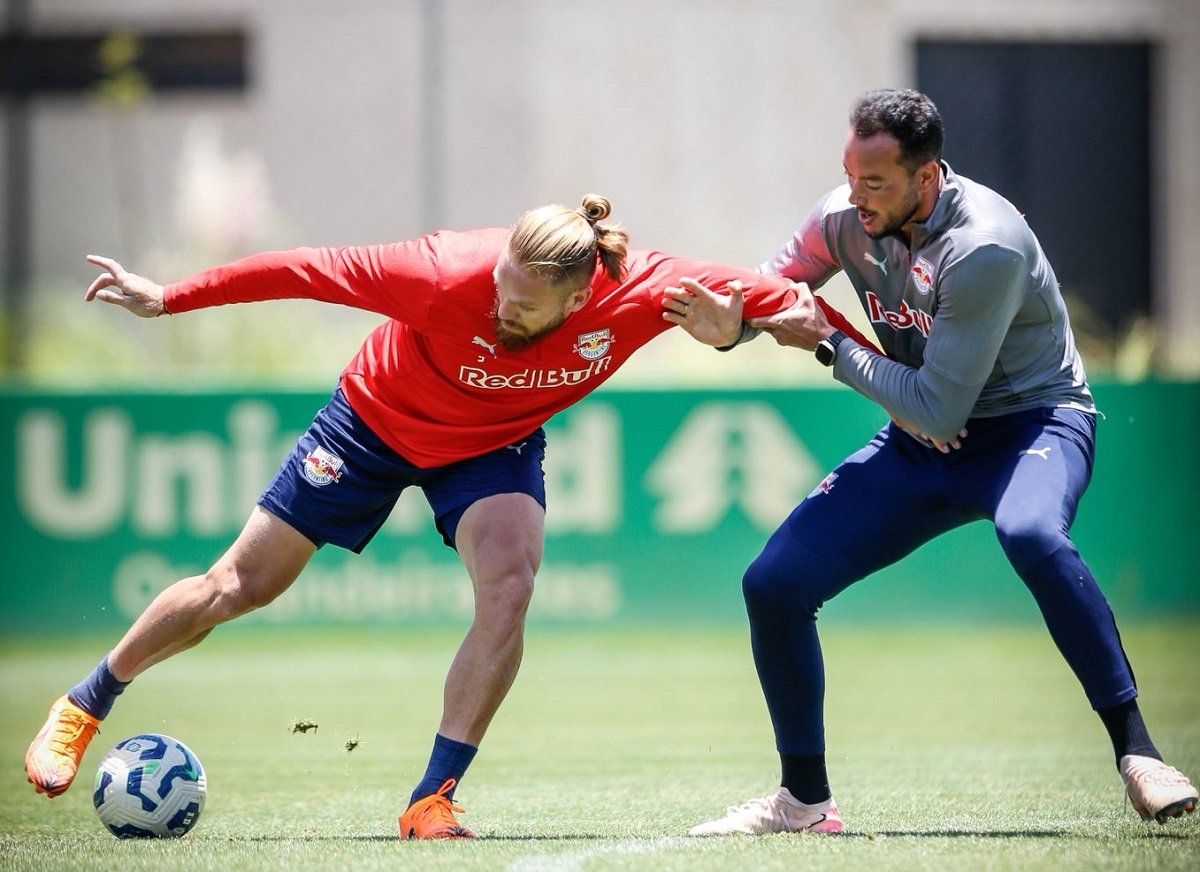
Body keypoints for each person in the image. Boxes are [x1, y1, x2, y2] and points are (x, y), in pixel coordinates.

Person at [24, 194, 873, 839]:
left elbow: (785, 302)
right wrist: (167, 299)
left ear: (581, 295)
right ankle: (85, 704)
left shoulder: (651, 288)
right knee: (240, 585)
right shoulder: (440, 269)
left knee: (510, 584)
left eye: (524, 305)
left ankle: (432, 798)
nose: (501, 307)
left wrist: (849, 366)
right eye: (500, 287)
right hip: (372, 420)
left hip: (491, 446)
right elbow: (302, 268)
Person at [667, 89, 1197, 835]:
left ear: (927, 177)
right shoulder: (842, 218)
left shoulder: (985, 243)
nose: (856, 198)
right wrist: (733, 325)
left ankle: (1138, 753)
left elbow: (940, 408)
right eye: (851, 176)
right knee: (774, 584)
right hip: (923, 435)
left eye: (875, 182)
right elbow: (772, 291)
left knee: (1032, 534)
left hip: (1029, 424)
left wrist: (829, 344)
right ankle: (804, 802)